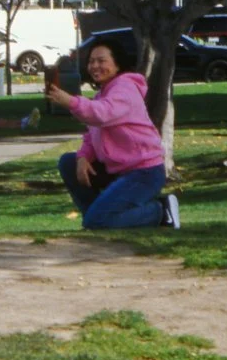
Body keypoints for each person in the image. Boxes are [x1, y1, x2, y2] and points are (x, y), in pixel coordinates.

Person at [48, 36, 178, 230]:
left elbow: (102, 114)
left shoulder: (124, 88)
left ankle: (160, 210)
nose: (95, 66)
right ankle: (98, 215)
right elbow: (92, 133)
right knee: (69, 162)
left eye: (102, 61)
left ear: (117, 65)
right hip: (117, 171)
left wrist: (72, 102)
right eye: (91, 61)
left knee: (97, 222)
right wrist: (83, 157)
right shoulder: (104, 93)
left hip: (144, 173)